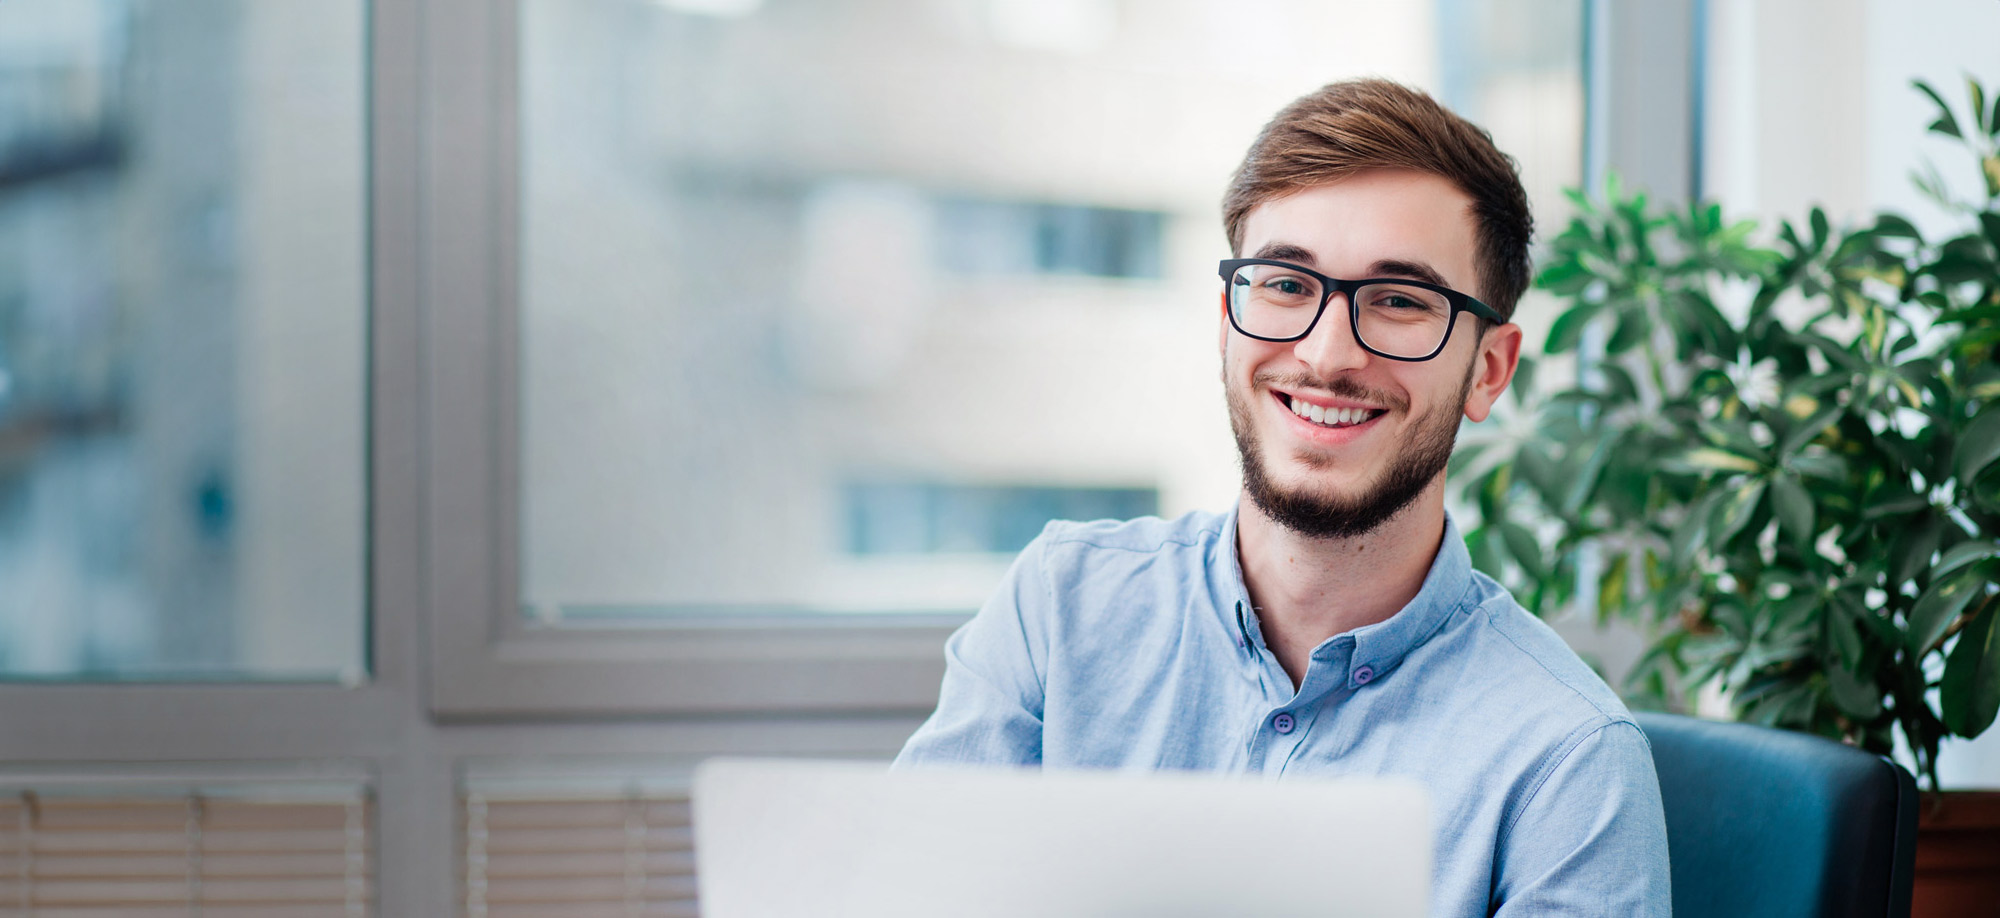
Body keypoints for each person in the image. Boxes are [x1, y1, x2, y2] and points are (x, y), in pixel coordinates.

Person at [893, 78, 1671, 916]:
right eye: (1285, 286)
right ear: (1229, 321)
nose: (1327, 353)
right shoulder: (1059, 611)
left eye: (1400, 300)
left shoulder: (1568, 761)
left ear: (1489, 369)